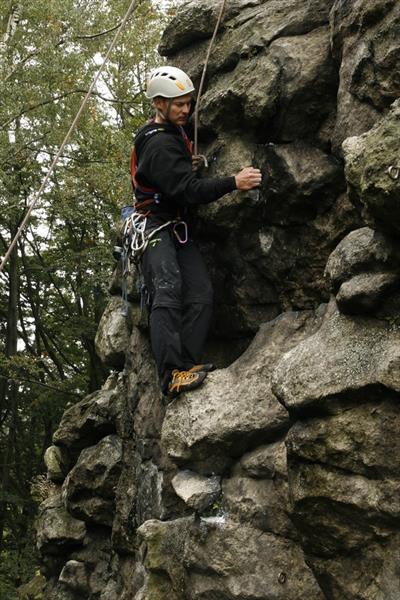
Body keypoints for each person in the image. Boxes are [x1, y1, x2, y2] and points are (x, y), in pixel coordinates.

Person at [131, 66, 262, 398]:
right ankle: (170, 375)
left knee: (201, 292)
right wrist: (233, 182)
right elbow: (188, 191)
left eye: (188, 103)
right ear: (159, 103)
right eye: (179, 104)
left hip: (176, 226)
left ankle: (186, 364)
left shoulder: (173, 130)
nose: (186, 110)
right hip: (155, 226)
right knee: (167, 292)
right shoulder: (158, 144)